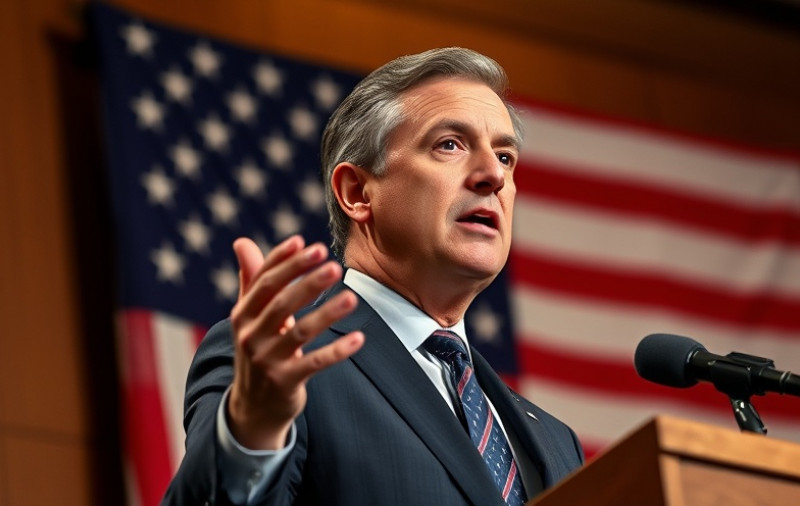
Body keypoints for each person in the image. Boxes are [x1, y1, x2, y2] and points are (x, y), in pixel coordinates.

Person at [164, 47, 583, 505]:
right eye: (450, 144)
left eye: (505, 157)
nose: (492, 176)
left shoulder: (558, 443)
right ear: (358, 192)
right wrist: (251, 433)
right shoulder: (283, 366)